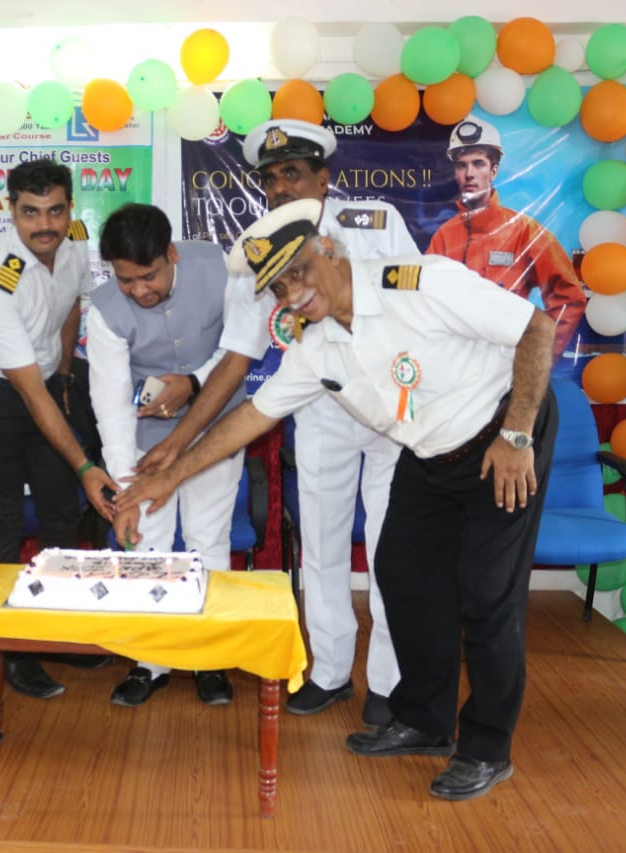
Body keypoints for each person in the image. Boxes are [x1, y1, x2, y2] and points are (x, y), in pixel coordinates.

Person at [120, 198, 558, 801]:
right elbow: (251, 416)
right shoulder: (317, 347)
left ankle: (486, 749)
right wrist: (170, 476)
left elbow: (535, 328)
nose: (292, 294)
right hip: (429, 454)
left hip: (502, 435)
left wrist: (517, 434)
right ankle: (426, 721)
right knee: (401, 577)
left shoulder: (419, 282)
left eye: (298, 271)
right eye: (277, 287)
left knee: (486, 596)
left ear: (330, 249)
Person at [134, 119, 417, 725]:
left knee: (394, 550)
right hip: (318, 408)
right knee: (320, 544)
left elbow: (412, 307)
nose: (281, 188)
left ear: (324, 176)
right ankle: (332, 672)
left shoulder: (376, 223)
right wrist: (181, 442)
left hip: (395, 410)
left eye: (293, 173)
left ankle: (391, 685)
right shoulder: (258, 251)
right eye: (270, 180)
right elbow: (236, 360)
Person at [0, 158, 115, 699]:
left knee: (61, 512)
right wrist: (85, 462)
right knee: (1, 520)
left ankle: (53, 633)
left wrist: (66, 371)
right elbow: (25, 390)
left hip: (44, 382)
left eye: (55, 210)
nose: (44, 225)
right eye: (30, 213)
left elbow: (71, 306)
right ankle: (11, 650)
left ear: (70, 207)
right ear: (11, 210)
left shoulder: (75, 242)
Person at [88, 203, 243, 708]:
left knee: (207, 540)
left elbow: (242, 345)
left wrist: (195, 382)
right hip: (144, 438)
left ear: (171, 253)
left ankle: (208, 658)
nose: (138, 290)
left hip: (217, 428)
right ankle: (149, 660)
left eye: (148, 276)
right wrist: (123, 487)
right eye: (126, 280)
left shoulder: (219, 267)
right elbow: (110, 401)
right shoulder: (105, 308)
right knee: (145, 542)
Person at [428, 115, 587, 356]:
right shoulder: (444, 236)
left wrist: (536, 360)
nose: (469, 173)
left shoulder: (525, 231)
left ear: (493, 170)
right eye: (462, 165)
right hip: (452, 368)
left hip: (506, 370)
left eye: (478, 163)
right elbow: (423, 298)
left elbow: (568, 296)